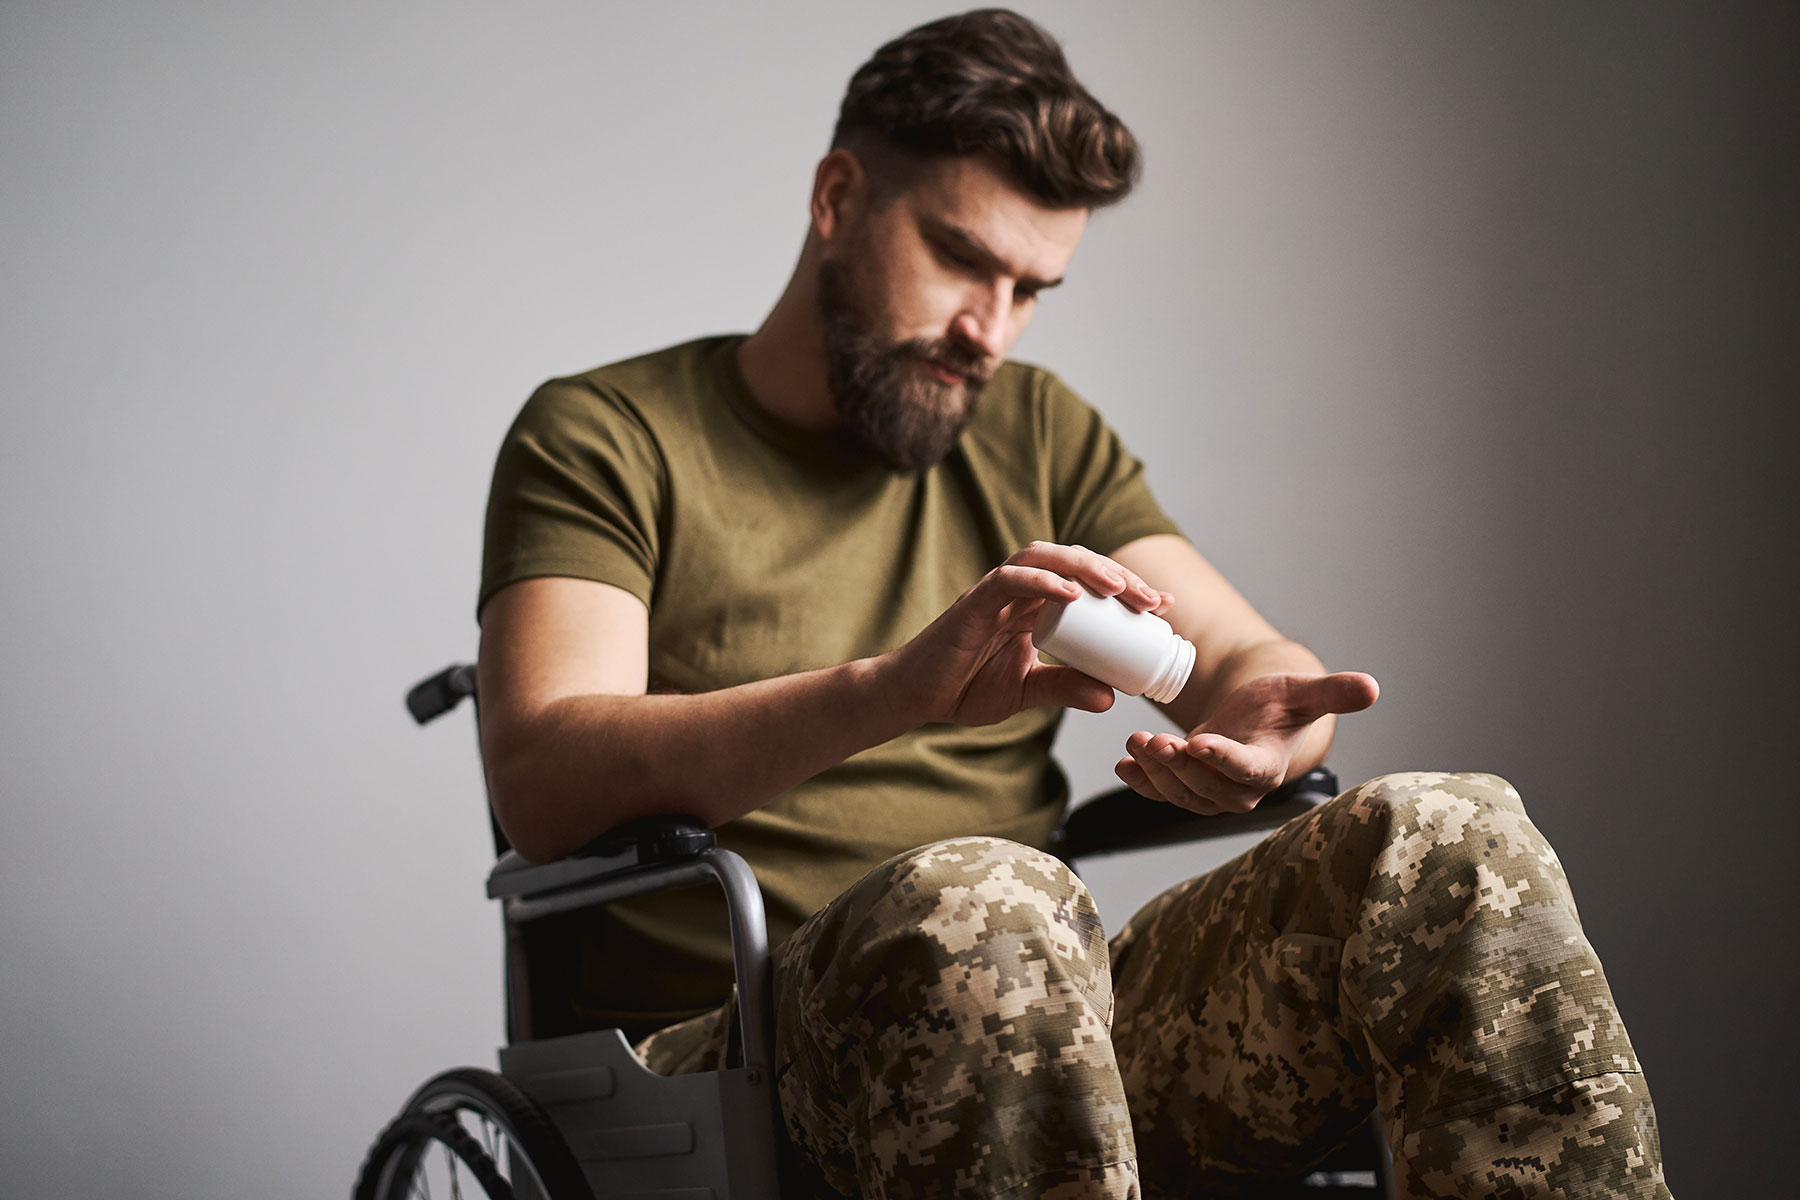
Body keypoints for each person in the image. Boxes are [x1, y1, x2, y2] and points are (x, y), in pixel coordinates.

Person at [474, 9, 1669, 1198]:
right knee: (985, 897)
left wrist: (1268, 720)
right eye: (959, 257)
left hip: (1042, 1021)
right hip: (740, 1056)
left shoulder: (1035, 430)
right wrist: (890, 694)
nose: (986, 332)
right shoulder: (608, 437)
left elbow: (1245, 656)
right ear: (837, 197)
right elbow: (544, 775)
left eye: (1031, 287)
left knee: (1453, 833)